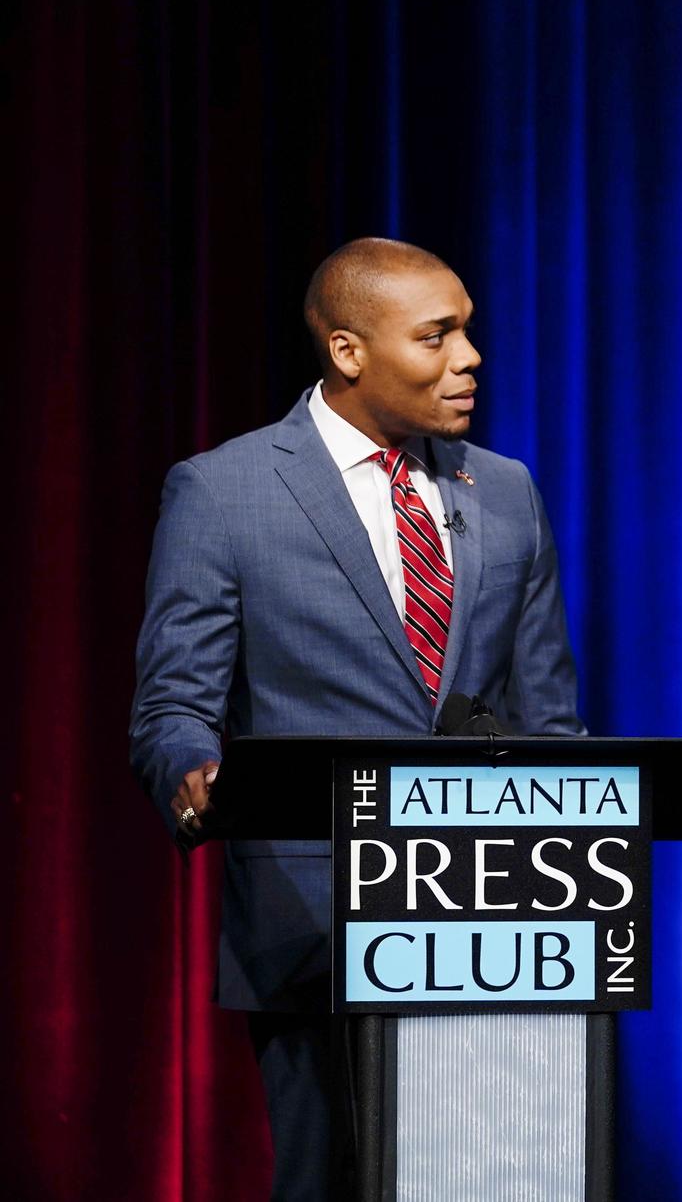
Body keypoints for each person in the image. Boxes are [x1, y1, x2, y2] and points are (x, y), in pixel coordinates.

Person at [129, 238, 588, 1200]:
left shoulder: (503, 490)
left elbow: (549, 719)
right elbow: (176, 701)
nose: (470, 358)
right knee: (333, 1180)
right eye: (437, 336)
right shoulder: (226, 491)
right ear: (348, 350)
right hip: (316, 918)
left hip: (490, 910)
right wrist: (193, 775)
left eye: (467, 330)